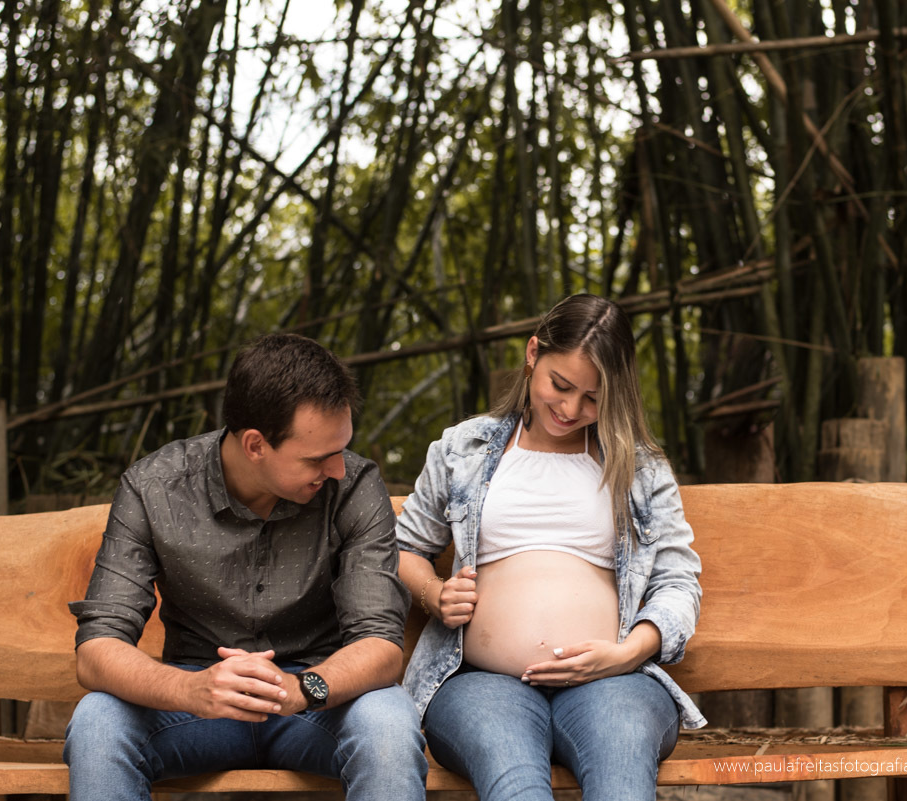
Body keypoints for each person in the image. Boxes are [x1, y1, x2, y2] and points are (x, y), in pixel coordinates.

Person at [64, 333, 427, 801]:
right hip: (196, 703)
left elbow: (380, 644)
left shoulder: (355, 486)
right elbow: (97, 649)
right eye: (318, 458)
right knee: (97, 722)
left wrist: (303, 689)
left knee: (388, 722)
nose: (338, 468)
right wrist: (190, 689)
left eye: (341, 449)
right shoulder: (153, 488)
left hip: (316, 701)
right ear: (255, 444)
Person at [396, 294, 705, 801]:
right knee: (515, 783)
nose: (570, 409)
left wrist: (626, 653)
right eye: (560, 386)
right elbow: (403, 548)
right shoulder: (464, 448)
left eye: (593, 398)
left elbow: (677, 581)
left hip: (614, 681)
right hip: (482, 680)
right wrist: (434, 594)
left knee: (621, 777)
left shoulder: (640, 468)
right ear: (533, 353)